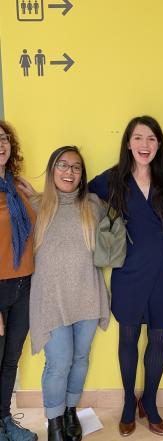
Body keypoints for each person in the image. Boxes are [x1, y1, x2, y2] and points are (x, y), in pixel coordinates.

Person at [88, 115, 163, 437]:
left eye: (152, 139)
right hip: (128, 274)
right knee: (127, 338)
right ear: (128, 142)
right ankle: (129, 403)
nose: (145, 145)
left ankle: (150, 403)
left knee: (159, 338)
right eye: (139, 138)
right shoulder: (111, 180)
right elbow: (77, 195)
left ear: (159, 144)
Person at [20, 146, 110, 441]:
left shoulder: (94, 204)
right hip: (51, 300)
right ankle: (55, 420)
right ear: (51, 170)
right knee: (59, 363)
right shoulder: (34, 205)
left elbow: (126, 200)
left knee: (81, 358)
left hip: (87, 295)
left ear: (82, 175)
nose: (69, 172)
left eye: (75, 167)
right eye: (62, 165)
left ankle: (71, 410)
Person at [0, 120, 37, 441]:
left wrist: (34, 196)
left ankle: (5, 420)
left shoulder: (15, 187)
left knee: (11, 359)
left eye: (3, 139)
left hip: (25, 286)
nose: (0, 144)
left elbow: (33, 229)